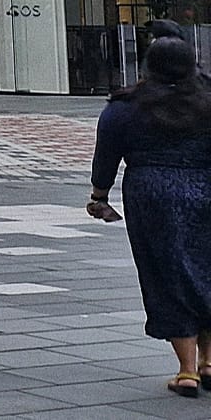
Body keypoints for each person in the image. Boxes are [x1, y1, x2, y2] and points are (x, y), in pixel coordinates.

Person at [86, 25, 211, 398]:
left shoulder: (125, 106)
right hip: (206, 189)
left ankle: (187, 371)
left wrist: (99, 194)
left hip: (152, 194)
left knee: (165, 273)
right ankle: (209, 361)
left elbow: (106, 151)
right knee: (207, 269)